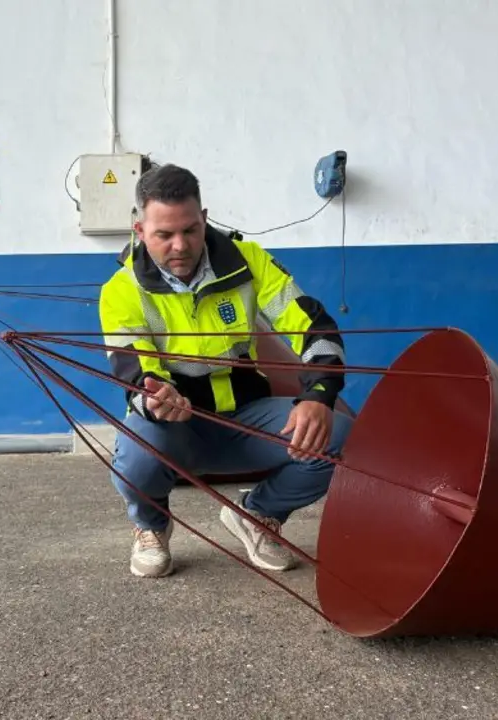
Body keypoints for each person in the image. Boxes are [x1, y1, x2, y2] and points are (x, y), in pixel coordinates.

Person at [98, 163, 354, 578]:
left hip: (246, 419)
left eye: (190, 229)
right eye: (164, 234)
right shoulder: (121, 290)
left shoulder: (248, 262)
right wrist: (156, 398)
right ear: (140, 230)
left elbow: (314, 327)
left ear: (204, 219)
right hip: (176, 426)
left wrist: (318, 396)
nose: (180, 245)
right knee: (136, 449)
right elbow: (133, 370)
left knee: (339, 438)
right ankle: (151, 527)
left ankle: (257, 516)